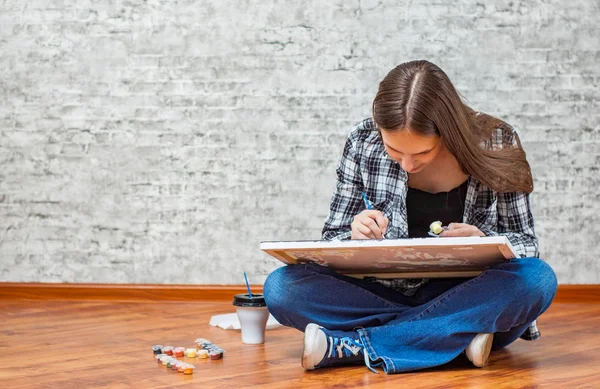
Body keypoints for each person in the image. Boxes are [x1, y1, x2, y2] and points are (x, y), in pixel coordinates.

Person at [263, 60, 558, 374]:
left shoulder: (497, 140)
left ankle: (354, 345)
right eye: (394, 149)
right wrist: (354, 236)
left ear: (447, 133)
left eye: (422, 153)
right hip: (395, 294)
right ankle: (454, 339)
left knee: (536, 279)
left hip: (469, 293)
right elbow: (331, 239)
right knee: (282, 288)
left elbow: (526, 244)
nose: (407, 164)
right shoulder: (362, 141)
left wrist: (484, 241)